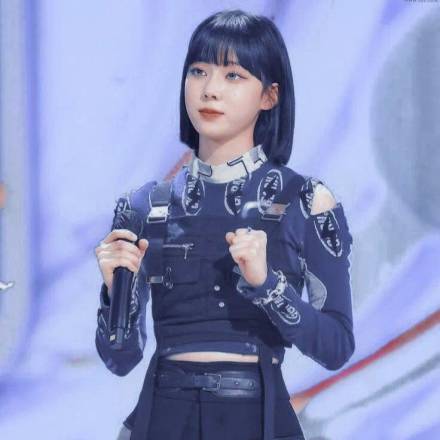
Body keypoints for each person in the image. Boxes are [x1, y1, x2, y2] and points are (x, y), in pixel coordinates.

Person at [94, 9, 355, 440]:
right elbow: (120, 359)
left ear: (269, 96)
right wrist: (113, 293)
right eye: (198, 71)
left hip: (256, 418)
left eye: (233, 75)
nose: (210, 89)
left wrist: (267, 285)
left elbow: (336, 347)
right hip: (162, 416)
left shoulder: (305, 201)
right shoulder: (144, 206)